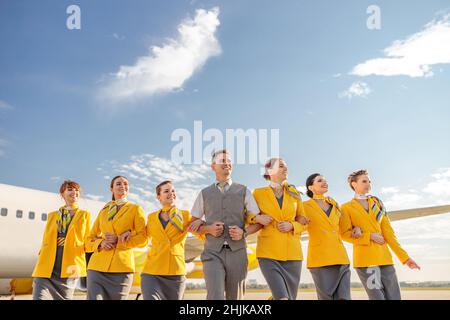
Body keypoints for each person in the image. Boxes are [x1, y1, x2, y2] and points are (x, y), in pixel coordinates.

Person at [188, 149, 262, 300]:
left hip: (238, 253)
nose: (227, 163)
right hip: (212, 253)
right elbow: (192, 224)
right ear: (213, 166)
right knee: (215, 296)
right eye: (222, 160)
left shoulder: (244, 191)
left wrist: (244, 232)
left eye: (229, 161)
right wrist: (208, 228)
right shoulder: (204, 193)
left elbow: (259, 222)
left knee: (235, 298)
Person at [340, 169, 421, 300]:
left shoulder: (377, 204)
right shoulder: (346, 207)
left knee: (395, 298)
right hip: (366, 262)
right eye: (364, 181)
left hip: (385, 260)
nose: (368, 184)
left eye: (369, 181)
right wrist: (369, 236)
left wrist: (405, 259)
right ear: (354, 184)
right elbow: (343, 234)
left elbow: (389, 234)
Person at [252, 158, 308, 300]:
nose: (286, 169)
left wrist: (292, 225)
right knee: (282, 297)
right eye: (281, 166)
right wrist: (257, 218)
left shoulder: (294, 193)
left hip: (293, 253)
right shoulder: (258, 193)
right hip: (268, 252)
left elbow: (303, 220)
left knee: (290, 297)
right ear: (270, 171)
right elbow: (247, 215)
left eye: (286, 166)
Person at [86, 175, 147, 300]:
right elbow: (88, 239)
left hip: (122, 268)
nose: (122, 186)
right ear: (111, 189)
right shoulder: (103, 211)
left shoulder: (135, 209)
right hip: (97, 267)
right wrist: (101, 243)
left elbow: (143, 239)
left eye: (125, 184)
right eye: (118, 183)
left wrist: (119, 240)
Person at [301, 173, 361, 300]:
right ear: (310, 187)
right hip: (320, 259)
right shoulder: (304, 206)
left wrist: (356, 229)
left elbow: (344, 230)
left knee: (345, 297)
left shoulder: (334, 204)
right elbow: (299, 227)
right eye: (320, 180)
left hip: (341, 258)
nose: (325, 182)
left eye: (325, 180)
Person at [141, 180, 201, 300]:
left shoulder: (185, 215)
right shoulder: (151, 217)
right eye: (166, 191)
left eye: (173, 191)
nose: (171, 193)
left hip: (175, 272)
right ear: (159, 197)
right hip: (152, 271)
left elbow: (201, 234)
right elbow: (142, 238)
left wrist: (201, 222)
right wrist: (128, 233)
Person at [32, 180, 91, 300]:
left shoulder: (84, 215)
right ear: (62, 194)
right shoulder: (52, 215)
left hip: (70, 265)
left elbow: (88, 240)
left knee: (64, 297)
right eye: (70, 189)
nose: (74, 192)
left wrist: (101, 242)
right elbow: (46, 240)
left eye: (77, 190)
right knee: (39, 297)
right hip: (47, 264)